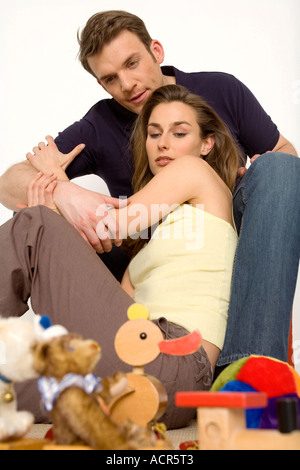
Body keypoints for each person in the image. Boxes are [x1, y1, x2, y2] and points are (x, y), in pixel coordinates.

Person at [0, 10, 299, 371]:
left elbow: (285, 157)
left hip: (222, 230)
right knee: (34, 213)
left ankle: (250, 366)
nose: (127, 84)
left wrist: (231, 184)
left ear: (156, 51)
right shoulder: (100, 124)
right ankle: (90, 357)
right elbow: (10, 182)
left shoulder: (221, 90)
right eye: (110, 78)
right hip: (141, 243)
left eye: (132, 63)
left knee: (280, 169)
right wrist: (65, 193)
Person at [0, 84, 239, 429]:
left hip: (173, 360)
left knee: (34, 225)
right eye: (154, 133)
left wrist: (56, 185)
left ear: (207, 143)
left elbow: (105, 226)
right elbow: (105, 322)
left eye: (179, 132)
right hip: (142, 378)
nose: (163, 143)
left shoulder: (196, 172)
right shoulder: (149, 239)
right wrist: (58, 197)